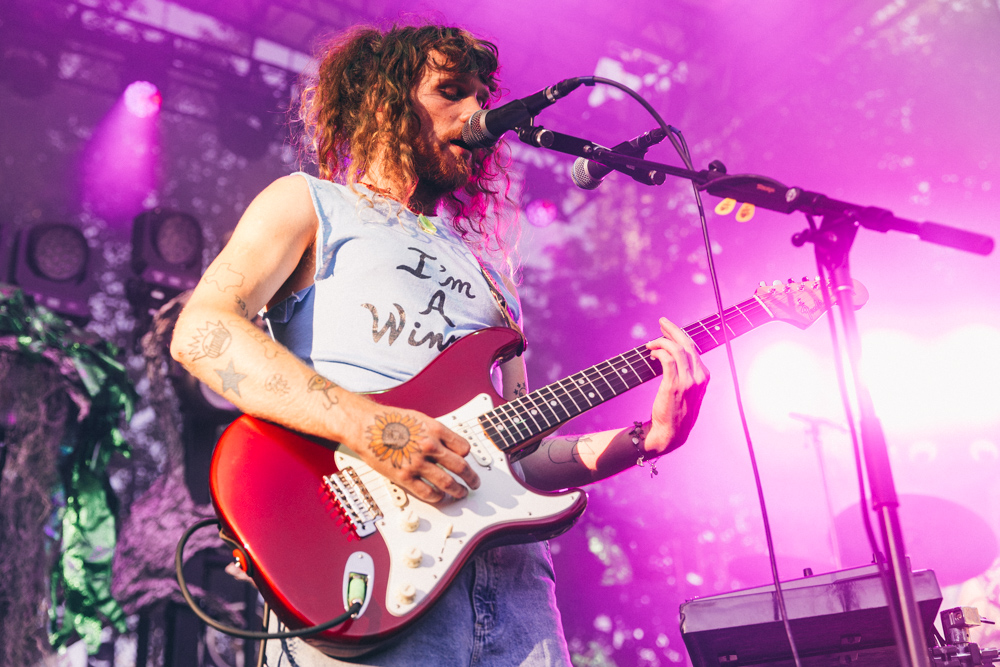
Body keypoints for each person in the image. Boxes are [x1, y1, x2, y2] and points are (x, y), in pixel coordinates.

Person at [170, 22, 709, 667]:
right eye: (449, 91)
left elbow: (525, 455)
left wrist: (645, 442)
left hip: (512, 589)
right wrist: (373, 428)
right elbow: (203, 333)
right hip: (363, 564)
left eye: (481, 95)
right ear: (380, 102)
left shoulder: (488, 274)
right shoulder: (312, 203)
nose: (477, 112)